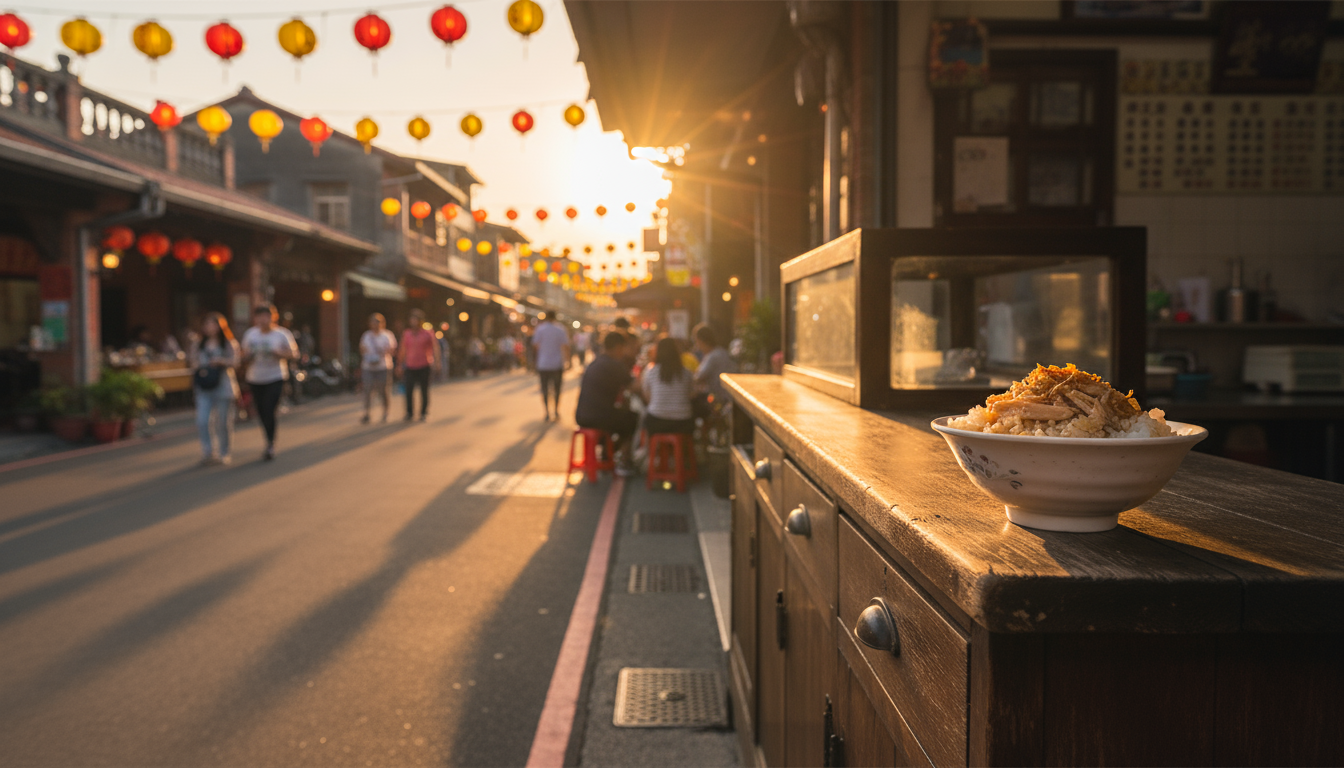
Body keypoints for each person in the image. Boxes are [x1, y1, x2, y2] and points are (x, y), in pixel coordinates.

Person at [576, 331, 639, 475]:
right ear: (618, 348)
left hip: (581, 415)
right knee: (632, 418)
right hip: (598, 417)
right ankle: (624, 460)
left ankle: (606, 454)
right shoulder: (615, 365)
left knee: (619, 416)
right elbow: (636, 387)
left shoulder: (595, 363)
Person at [240, 304, 298, 460]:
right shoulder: (250, 334)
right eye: (259, 316)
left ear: (273, 317)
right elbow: (243, 355)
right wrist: (248, 356)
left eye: (266, 316)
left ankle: (270, 443)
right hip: (255, 378)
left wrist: (279, 353)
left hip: (275, 377)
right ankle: (268, 439)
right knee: (261, 411)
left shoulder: (282, 334)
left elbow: (294, 353)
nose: (263, 319)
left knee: (269, 408)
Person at [191, 311, 239, 466]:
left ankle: (224, 452)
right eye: (207, 324)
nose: (209, 327)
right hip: (204, 386)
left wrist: (221, 362)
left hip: (223, 385)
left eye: (212, 324)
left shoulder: (228, 343)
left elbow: (236, 363)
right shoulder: (198, 343)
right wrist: (198, 366)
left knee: (223, 422)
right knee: (202, 420)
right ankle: (208, 452)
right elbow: (192, 362)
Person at [642, 336, 696, 436]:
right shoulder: (686, 372)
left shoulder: (651, 371)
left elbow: (647, 396)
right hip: (683, 423)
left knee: (644, 419)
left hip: (657, 421)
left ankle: (647, 449)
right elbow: (691, 394)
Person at [398, 309, 437, 421]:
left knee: (424, 390)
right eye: (412, 319)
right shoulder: (407, 334)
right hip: (410, 366)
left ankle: (424, 412)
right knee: (408, 390)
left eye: (416, 319)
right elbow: (402, 350)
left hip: (424, 365)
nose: (413, 322)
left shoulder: (427, 333)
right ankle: (409, 412)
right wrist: (400, 364)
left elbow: (435, 348)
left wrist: (437, 362)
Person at [532, 311, 570, 421]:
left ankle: (547, 412)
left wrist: (535, 361)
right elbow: (566, 346)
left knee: (545, 389)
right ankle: (556, 411)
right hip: (557, 364)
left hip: (543, 364)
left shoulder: (540, 329)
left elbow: (535, 346)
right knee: (557, 389)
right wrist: (568, 361)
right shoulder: (560, 329)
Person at [360, 313, 397, 424]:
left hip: (383, 366)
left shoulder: (387, 335)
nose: (375, 324)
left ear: (382, 323)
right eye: (373, 322)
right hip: (368, 366)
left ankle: (385, 413)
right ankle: (367, 413)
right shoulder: (366, 336)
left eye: (377, 322)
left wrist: (383, 351)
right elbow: (361, 349)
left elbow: (393, 350)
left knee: (383, 391)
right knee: (367, 390)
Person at [693, 323, 738, 408]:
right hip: (729, 397)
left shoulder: (712, 356)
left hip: (722, 399)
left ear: (701, 341)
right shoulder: (722, 352)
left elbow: (697, 377)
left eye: (696, 341)